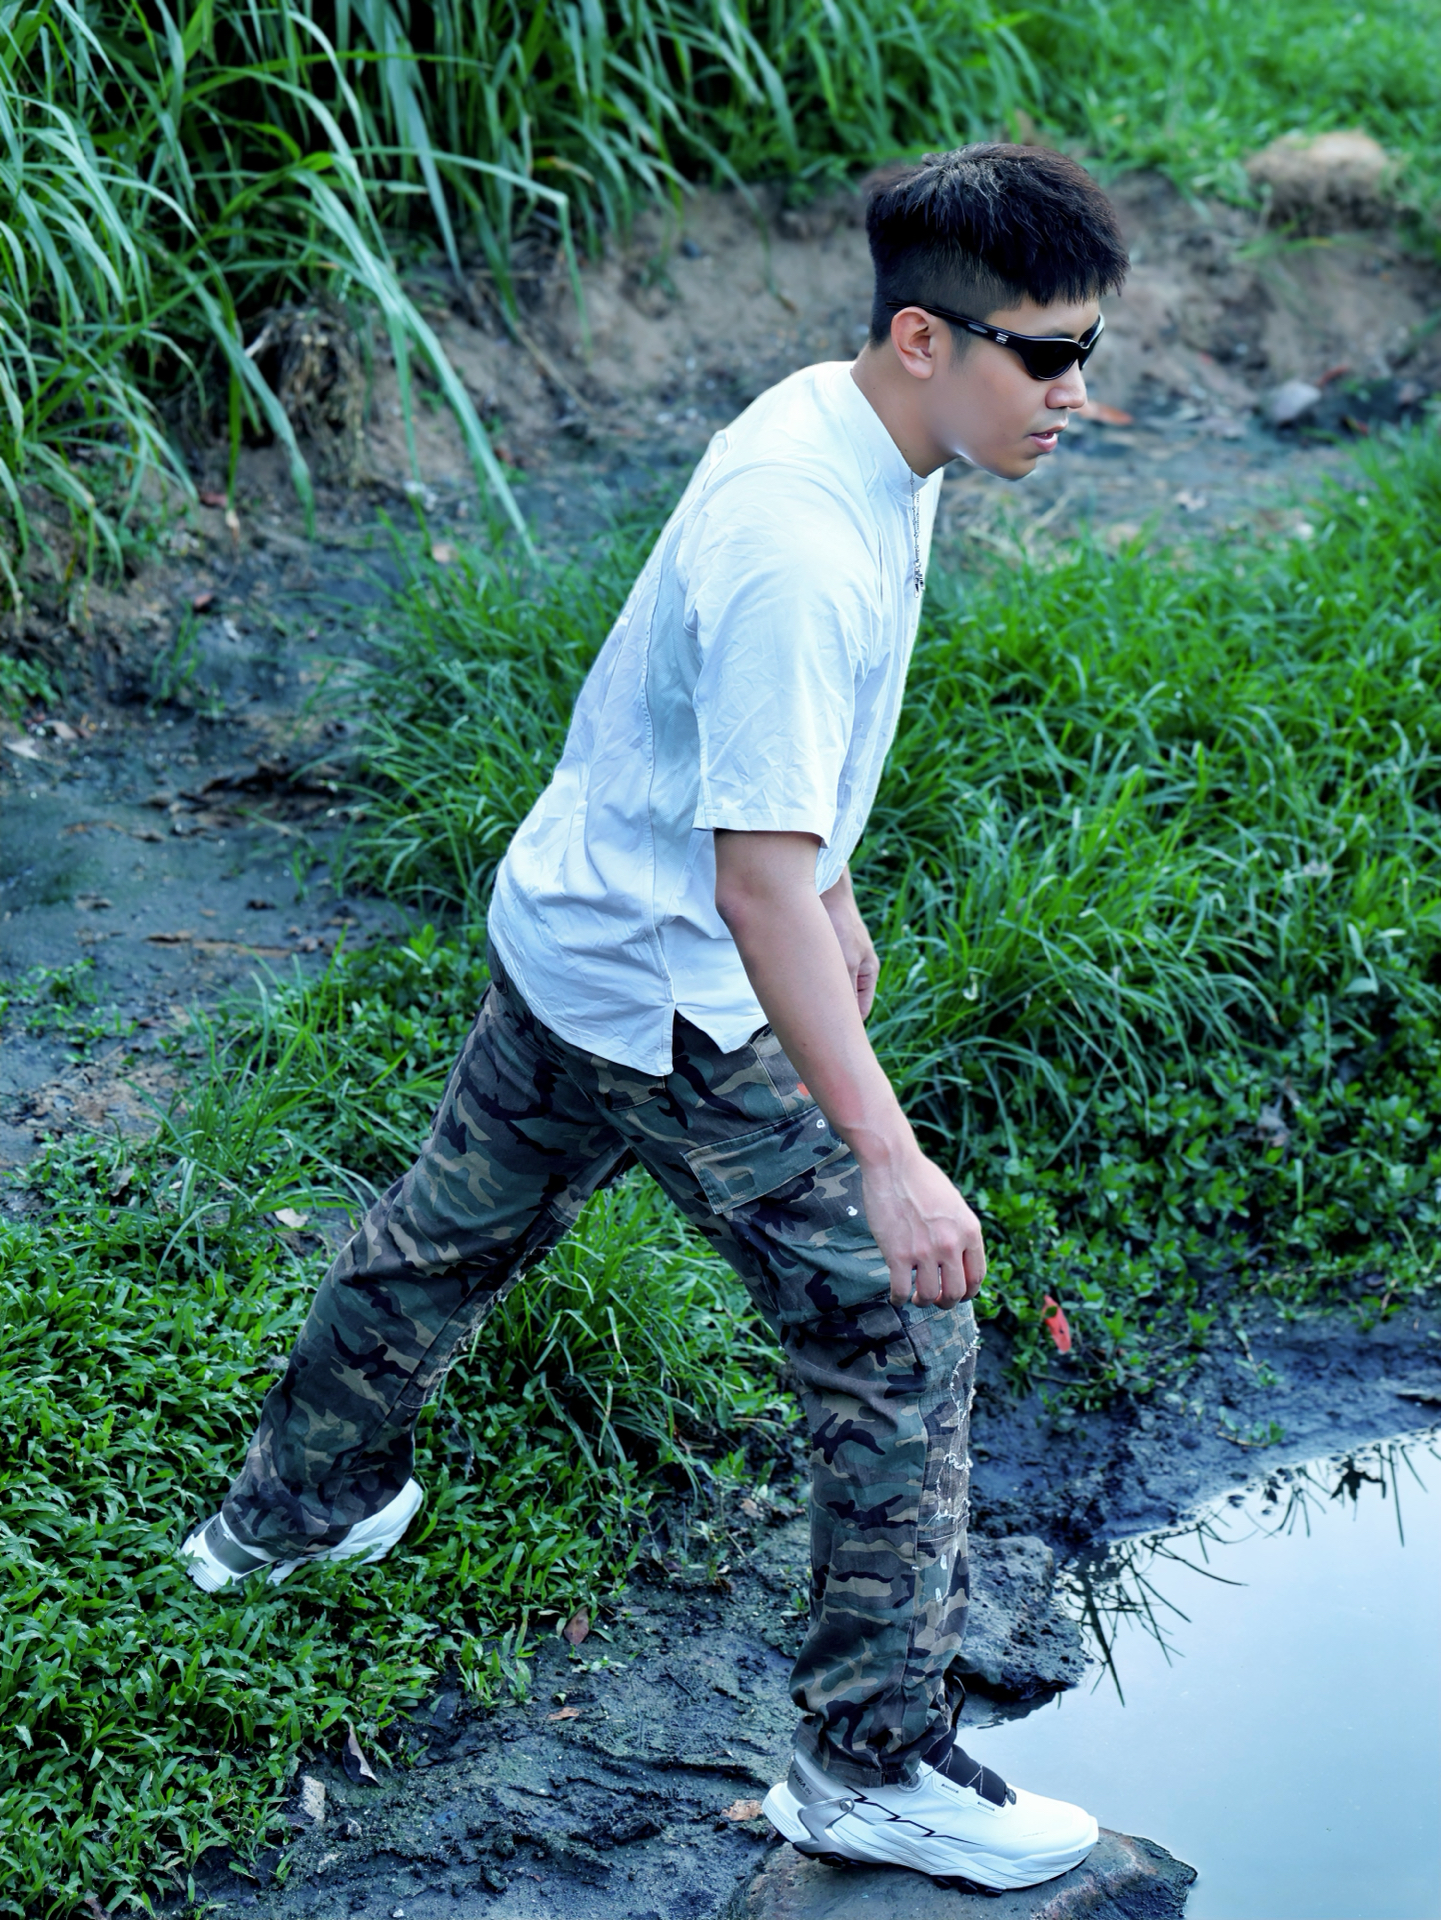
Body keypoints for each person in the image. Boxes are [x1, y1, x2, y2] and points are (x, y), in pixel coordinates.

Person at [182, 143, 1128, 1892]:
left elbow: (762, 793)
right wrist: (888, 1156)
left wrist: (833, 881)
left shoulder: (859, 426)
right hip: (674, 990)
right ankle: (866, 1765)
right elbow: (750, 885)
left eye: (1087, 349)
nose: (1079, 391)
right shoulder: (800, 543)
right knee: (899, 1325)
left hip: (577, 922)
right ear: (924, 336)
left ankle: (285, 1516)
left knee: (450, 1231)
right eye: (1050, 356)